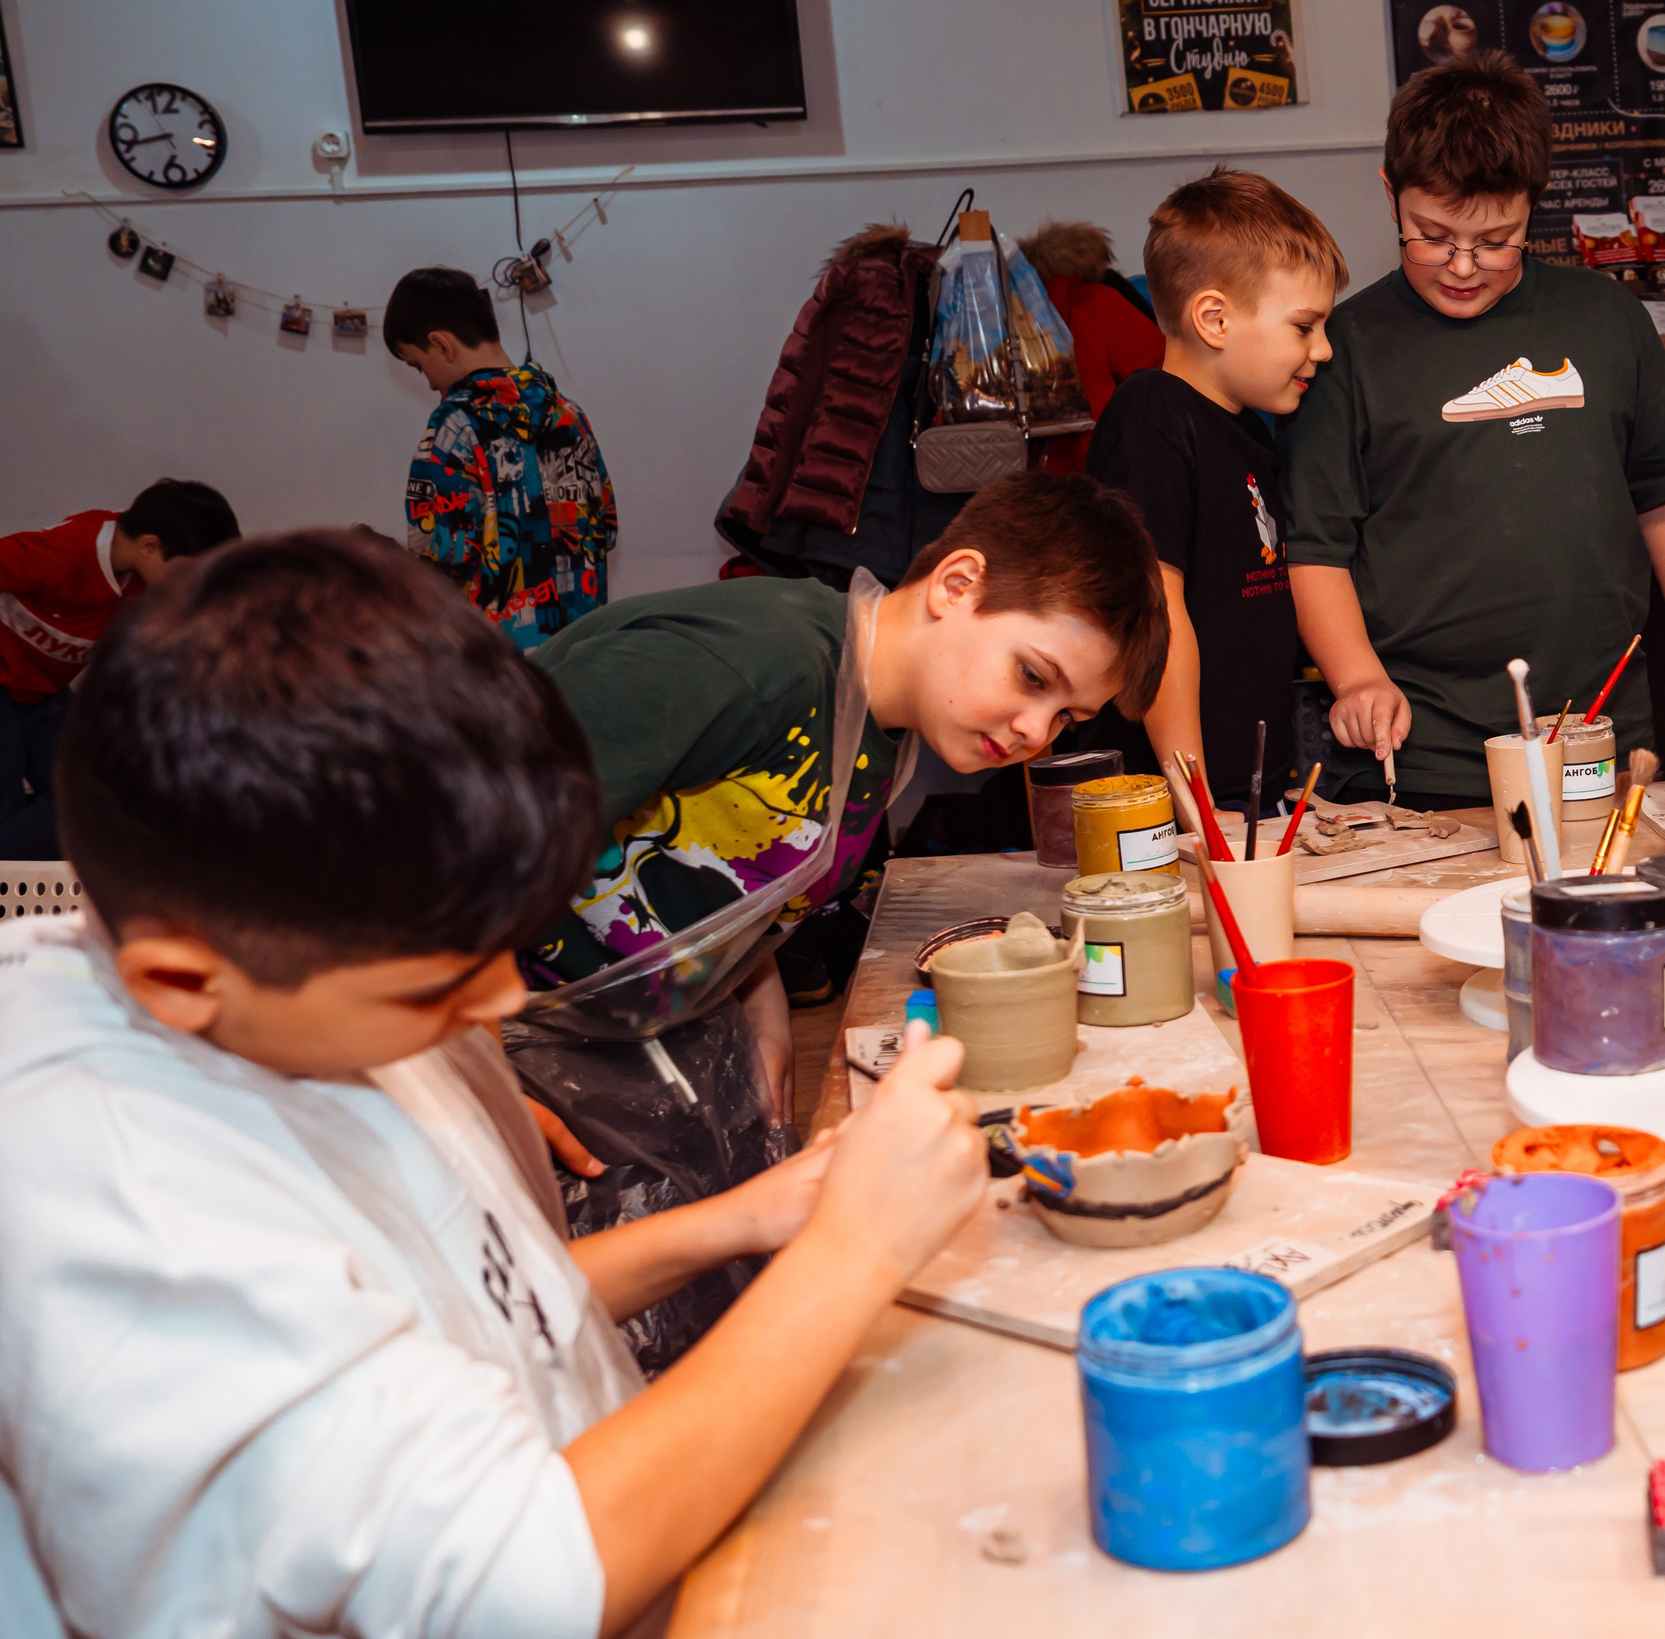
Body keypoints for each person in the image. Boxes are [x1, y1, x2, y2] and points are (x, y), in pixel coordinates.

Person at [3, 528, 988, 1638]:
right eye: (435, 986)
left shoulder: (289, 991)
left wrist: (742, 1219)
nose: (497, 1004)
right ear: (184, 979)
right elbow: (522, 1578)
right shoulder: (138, 1227)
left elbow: (484, 1312)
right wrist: (854, 1251)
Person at [519, 473, 1166, 1164]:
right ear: (957, 585)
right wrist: (455, 1080)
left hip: (628, 1040)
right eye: (1034, 677)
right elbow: (431, 830)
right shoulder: (760, 662)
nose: (1036, 731)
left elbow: (746, 867)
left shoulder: (892, 735)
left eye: (1067, 716)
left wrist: (758, 997)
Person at [1285, 51, 1665, 806]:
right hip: (1425, 752)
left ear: (1535, 203)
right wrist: (1356, 675)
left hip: (1602, 730)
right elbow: (1317, 548)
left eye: (1495, 240)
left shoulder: (1607, 316)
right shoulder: (1344, 347)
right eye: (1431, 235)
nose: (1462, 265)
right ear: (1391, 194)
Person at [1086, 168, 1342, 809]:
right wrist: (1191, 799)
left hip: (1245, 798)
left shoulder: (1250, 433)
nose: (1326, 349)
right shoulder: (1153, 417)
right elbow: (1157, 614)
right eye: (1304, 327)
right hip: (1171, 810)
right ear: (1215, 319)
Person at [0, 478, 237, 859]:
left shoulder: (145, 579)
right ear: (149, 546)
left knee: (87, 795)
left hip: (42, 689)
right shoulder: (60, 554)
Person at [388, 265, 617, 650]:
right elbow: (605, 529)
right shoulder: (569, 413)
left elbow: (442, 563)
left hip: (495, 666)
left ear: (442, 345)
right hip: (581, 651)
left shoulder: (452, 426)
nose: (427, 382)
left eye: (418, 364)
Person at [1019, 218, 1166, 474]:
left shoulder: (996, 313)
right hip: (1104, 468)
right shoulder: (1098, 301)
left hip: (1019, 478)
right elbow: (1165, 370)